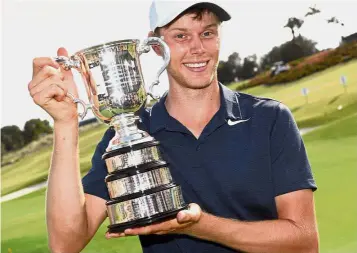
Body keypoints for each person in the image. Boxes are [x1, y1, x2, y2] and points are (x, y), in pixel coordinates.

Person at [28, 1, 319, 252]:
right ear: (156, 46)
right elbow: (66, 243)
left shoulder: (270, 119)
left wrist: (201, 226)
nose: (197, 48)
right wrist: (65, 122)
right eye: (181, 36)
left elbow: (305, 242)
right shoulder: (128, 135)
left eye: (207, 33)